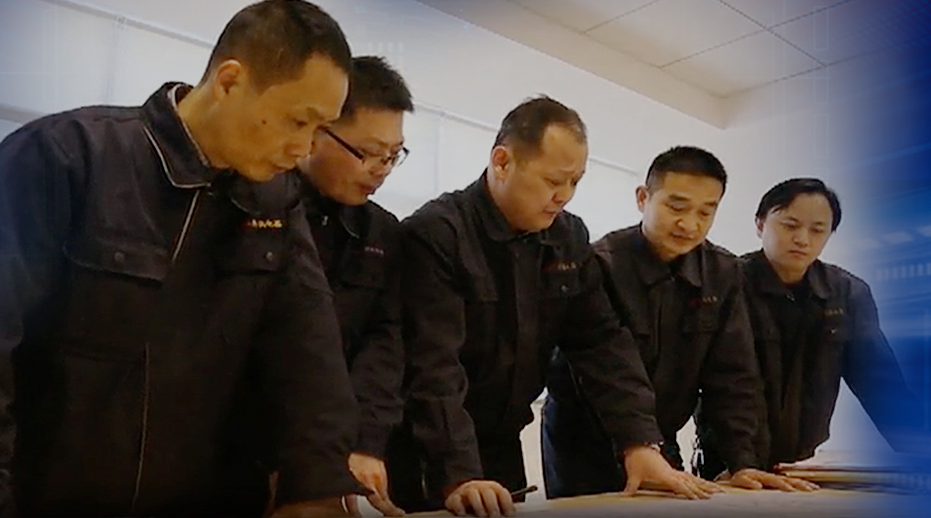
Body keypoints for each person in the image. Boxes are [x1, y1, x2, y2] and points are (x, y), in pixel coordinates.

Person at [0, 1, 367, 516]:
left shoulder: (274, 203)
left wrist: (315, 485)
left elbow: (310, 356)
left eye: (319, 128)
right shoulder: (67, 157)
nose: (303, 148)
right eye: (298, 120)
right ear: (230, 82)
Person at [393, 98, 720, 517]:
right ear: (502, 162)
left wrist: (639, 442)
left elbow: (602, 342)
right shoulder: (437, 233)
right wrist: (457, 472)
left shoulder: (566, 237)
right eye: (553, 180)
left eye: (575, 182)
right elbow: (432, 364)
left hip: (501, 444)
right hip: (429, 448)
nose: (563, 196)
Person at [543, 146, 816, 498]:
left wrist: (743, 462)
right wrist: (637, 441)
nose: (690, 224)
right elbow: (603, 367)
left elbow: (734, 376)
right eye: (677, 207)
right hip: (582, 444)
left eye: (706, 211)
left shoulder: (722, 272)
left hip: (660, 435)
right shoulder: (599, 263)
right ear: (643, 198)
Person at [694, 178, 924, 480]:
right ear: (760, 224)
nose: (802, 239)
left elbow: (882, 387)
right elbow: (716, 383)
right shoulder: (725, 285)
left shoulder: (847, 293)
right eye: (790, 225)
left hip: (801, 466)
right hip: (727, 466)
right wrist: (741, 462)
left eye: (817, 230)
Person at [293, 55, 412, 517]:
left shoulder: (382, 232)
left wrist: (367, 442)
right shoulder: (263, 206)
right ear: (316, 132)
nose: (381, 169)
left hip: (341, 450)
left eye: (393, 155)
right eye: (367, 153)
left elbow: (385, 342)